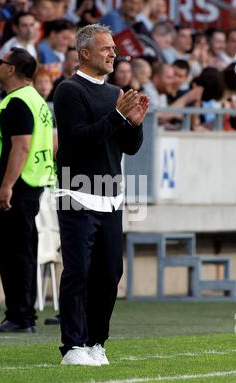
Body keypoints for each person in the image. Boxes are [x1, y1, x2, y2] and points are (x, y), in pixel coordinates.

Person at [53, 24, 149, 365]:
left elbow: (128, 148)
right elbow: (78, 139)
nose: (113, 53)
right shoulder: (68, 90)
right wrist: (118, 116)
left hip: (110, 196)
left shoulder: (114, 94)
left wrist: (134, 124)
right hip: (76, 192)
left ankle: (97, 343)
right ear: (84, 53)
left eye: (113, 48)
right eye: (106, 48)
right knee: (78, 271)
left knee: (110, 274)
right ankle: (73, 346)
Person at [0, 47, 55, 333]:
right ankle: (23, 315)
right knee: (23, 251)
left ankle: (20, 317)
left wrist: (6, 186)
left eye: (1, 62)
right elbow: (52, 144)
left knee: (14, 254)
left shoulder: (18, 102)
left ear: (11, 69)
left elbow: (20, 146)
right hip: (33, 183)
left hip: (18, 188)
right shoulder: (36, 100)